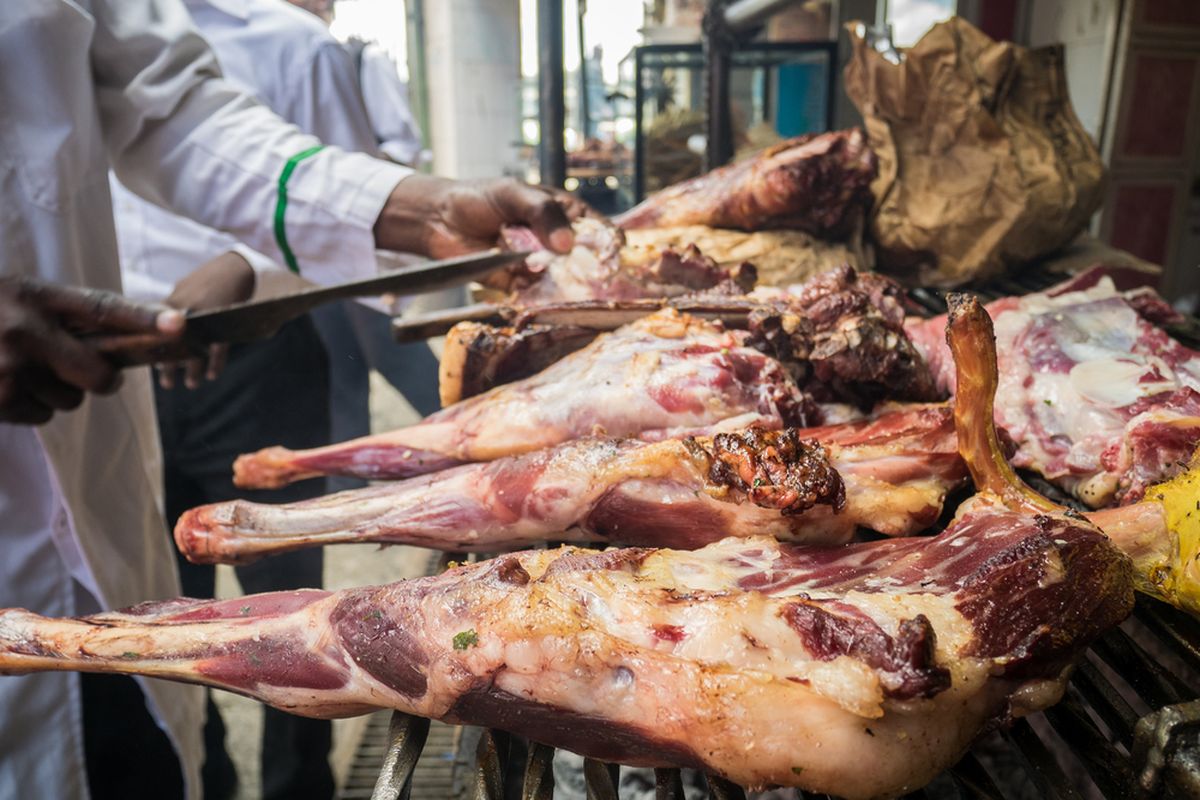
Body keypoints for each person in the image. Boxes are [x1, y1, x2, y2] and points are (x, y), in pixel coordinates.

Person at [0, 2, 575, 799]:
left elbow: (171, 109)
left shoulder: (281, 41)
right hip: (115, 373)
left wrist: (413, 208)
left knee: (152, 697)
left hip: (111, 415)